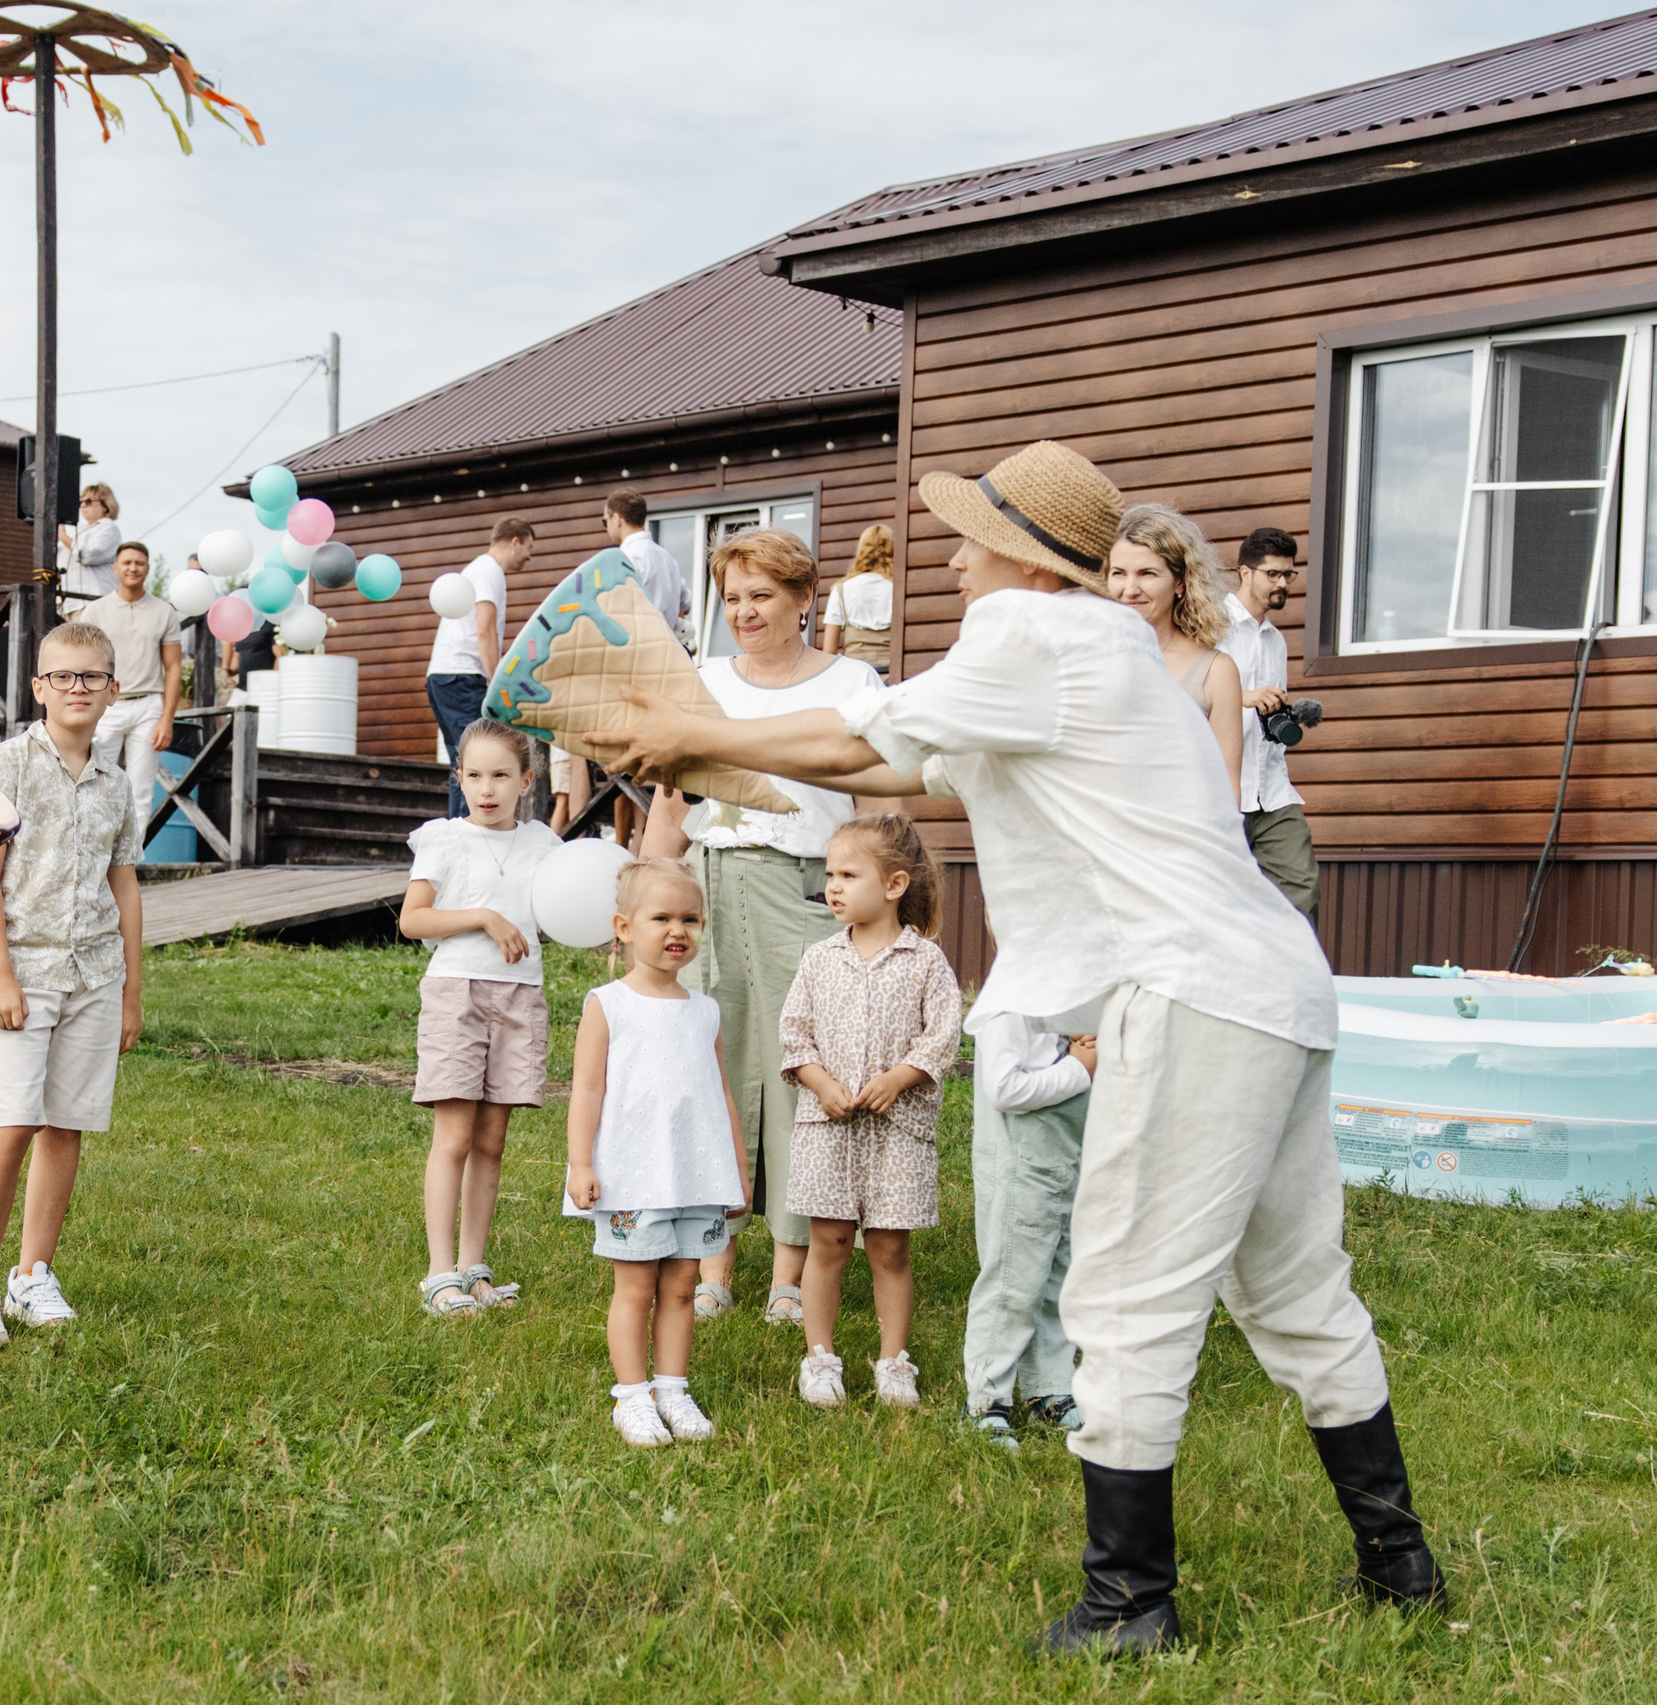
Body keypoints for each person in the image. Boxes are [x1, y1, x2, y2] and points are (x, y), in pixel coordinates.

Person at [607, 439, 1441, 1652]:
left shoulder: (1035, 638)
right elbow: (901, 762)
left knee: (1122, 1290)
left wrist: (680, 733)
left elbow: (855, 751)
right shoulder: (1101, 652)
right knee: (1297, 1288)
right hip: (1274, 985)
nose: (950, 556)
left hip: (1194, 991)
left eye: (972, 538)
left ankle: (1128, 1603)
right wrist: (700, 751)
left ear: (1028, 561)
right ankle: (1399, 1567)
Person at [642, 528, 881, 1325]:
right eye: (732, 597)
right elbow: (673, 804)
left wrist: (882, 907)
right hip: (709, 888)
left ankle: (791, 1267)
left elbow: (879, 806)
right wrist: (647, 900)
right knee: (711, 1070)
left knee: (799, 1073)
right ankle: (714, 1262)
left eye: (762, 595)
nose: (743, 611)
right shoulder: (705, 678)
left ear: (806, 598)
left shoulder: (854, 681)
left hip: (807, 894)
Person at [0, 621, 144, 1349]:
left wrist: (129, 990)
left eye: (91, 676)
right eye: (62, 676)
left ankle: (33, 1273)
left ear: (112, 689)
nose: (76, 688)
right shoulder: (6, 765)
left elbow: (123, 884)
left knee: (66, 1124)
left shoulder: (117, 782)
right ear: (37, 687)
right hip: (22, 972)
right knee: (11, 1123)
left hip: (95, 972)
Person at [564, 857, 748, 1448]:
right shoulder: (607, 1003)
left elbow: (720, 1092)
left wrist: (736, 1170)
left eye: (691, 919)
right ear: (624, 927)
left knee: (681, 1286)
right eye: (661, 917)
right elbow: (587, 1087)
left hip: (693, 1175)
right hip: (631, 1178)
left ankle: (673, 1387)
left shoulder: (706, 1010)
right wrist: (581, 1162)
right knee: (636, 1287)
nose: (678, 931)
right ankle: (632, 1397)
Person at [779, 812, 961, 1410]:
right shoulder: (820, 958)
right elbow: (795, 1035)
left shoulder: (925, 962)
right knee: (827, 1240)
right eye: (829, 873)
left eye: (848, 874)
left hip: (896, 1131)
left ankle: (892, 1361)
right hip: (827, 1128)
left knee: (889, 1246)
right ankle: (820, 1358)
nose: (832, 886)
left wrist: (901, 1077)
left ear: (894, 885)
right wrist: (820, 1081)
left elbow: (943, 1035)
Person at [399, 723, 561, 1317]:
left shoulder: (544, 844)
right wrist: (483, 917)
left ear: (527, 780)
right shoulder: (445, 839)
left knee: (492, 1140)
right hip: (457, 992)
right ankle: (439, 1273)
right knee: (456, 1135)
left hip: (521, 996)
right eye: (473, 776)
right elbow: (413, 921)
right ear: (458, 777)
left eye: (500, 776)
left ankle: (474, 1267)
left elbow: (575, 903)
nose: (486, 789)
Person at [963, 1012, 1095, 1448]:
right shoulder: (1010, 1006)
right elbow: (1004, 1088)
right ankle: (986, 1398)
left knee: (1060, 1275)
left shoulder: (1068, 994)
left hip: (1066, 1150)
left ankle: (1049, 1387)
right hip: (1024, 1156)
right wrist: (1077, 1067)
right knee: (1013, 1282)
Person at [1109, 505, 1241, 796]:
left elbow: (1227, 789)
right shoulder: (1089, 658)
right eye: (1118, 573)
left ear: (1180, 582)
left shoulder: (1215, 671)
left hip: (1181, 837)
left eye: (1147, 574)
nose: (1130, 589)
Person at [1224, 528, 1317, 920]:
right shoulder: (1210, 623)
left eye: (1288, 575)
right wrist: (1243, 696)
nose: (1282, 584)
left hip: (1271, 790)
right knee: (1222, 901)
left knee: (1302, 889)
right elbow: (1184, 690)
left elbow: (1264, 715)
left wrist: (1291, 714)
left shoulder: (1276, 641)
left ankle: (1295, 978)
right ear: (1246, 573)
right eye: (1273, 574)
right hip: (1221, 789)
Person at [79, 540, 182, 857]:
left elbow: (174, 665)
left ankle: (128, 864)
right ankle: (92, 855)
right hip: (106, 704)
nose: (133, 568)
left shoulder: (164, 612)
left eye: (139, 563)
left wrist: (167, 718)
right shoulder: (95, 610)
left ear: (147, 568)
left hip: (148, 704)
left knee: (140, 789)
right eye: (127, 563)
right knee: (94, 780)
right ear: (116, 567)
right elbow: (81, 660)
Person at [426, 518, 530, 816]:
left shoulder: (477, 569)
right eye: (528, 547)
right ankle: (468, 843)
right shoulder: (489, 571)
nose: (529, 556)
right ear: (514, 542)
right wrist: (497, 685)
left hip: (443, 677)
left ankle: (459, 841)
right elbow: (484, 630)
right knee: (475, 764)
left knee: (463, 766)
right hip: (462, 678)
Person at [606, 489, 689, 641]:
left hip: (637, 649)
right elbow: (686, 604)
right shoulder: (668, 558)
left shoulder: (624, 558)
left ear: (617, 519)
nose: (606, 528)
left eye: (605, 521)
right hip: (668, 650)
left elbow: (613, 609)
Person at [818, 524, 897, 676]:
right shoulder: (898, 588)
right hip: (894, 673)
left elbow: (829, 651)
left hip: (855, 675)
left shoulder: (841, 589)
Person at [58, 483, 122, 601]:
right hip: (68, 602)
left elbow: (89, 554)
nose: (83, 506)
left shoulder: (109, 529)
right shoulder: (78, 532)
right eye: (80, 502)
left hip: (93, 601)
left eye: (88, 502)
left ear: (105, 505)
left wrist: (63, 537)